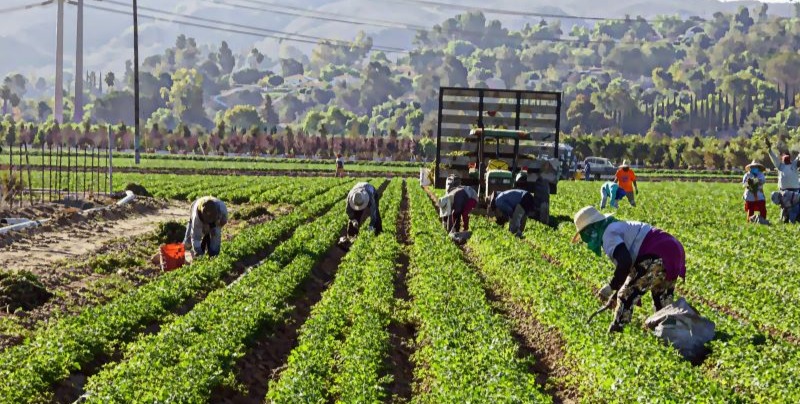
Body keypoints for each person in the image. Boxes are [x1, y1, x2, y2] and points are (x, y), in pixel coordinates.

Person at [572, 206, 686, 333]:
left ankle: (617, 333)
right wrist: (615, 295)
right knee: (661, 299)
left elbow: (625, 262)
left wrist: (612, 286)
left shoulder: (608, 234)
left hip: (657, 253)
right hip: (673, 250)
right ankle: (673, 334)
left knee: (625, 296)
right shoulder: (616, 227)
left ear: (590, 230)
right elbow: (631, 271)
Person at [766, 138, 800, 223]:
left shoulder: (794, 165)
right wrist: (769, 149)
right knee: (784, 206)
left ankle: (795, 219)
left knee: (796, 206)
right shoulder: (781, 166)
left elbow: (799, 157)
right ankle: (785, 219)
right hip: (783, 191)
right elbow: (774, 158)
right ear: (783, 160)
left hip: (795, 190)